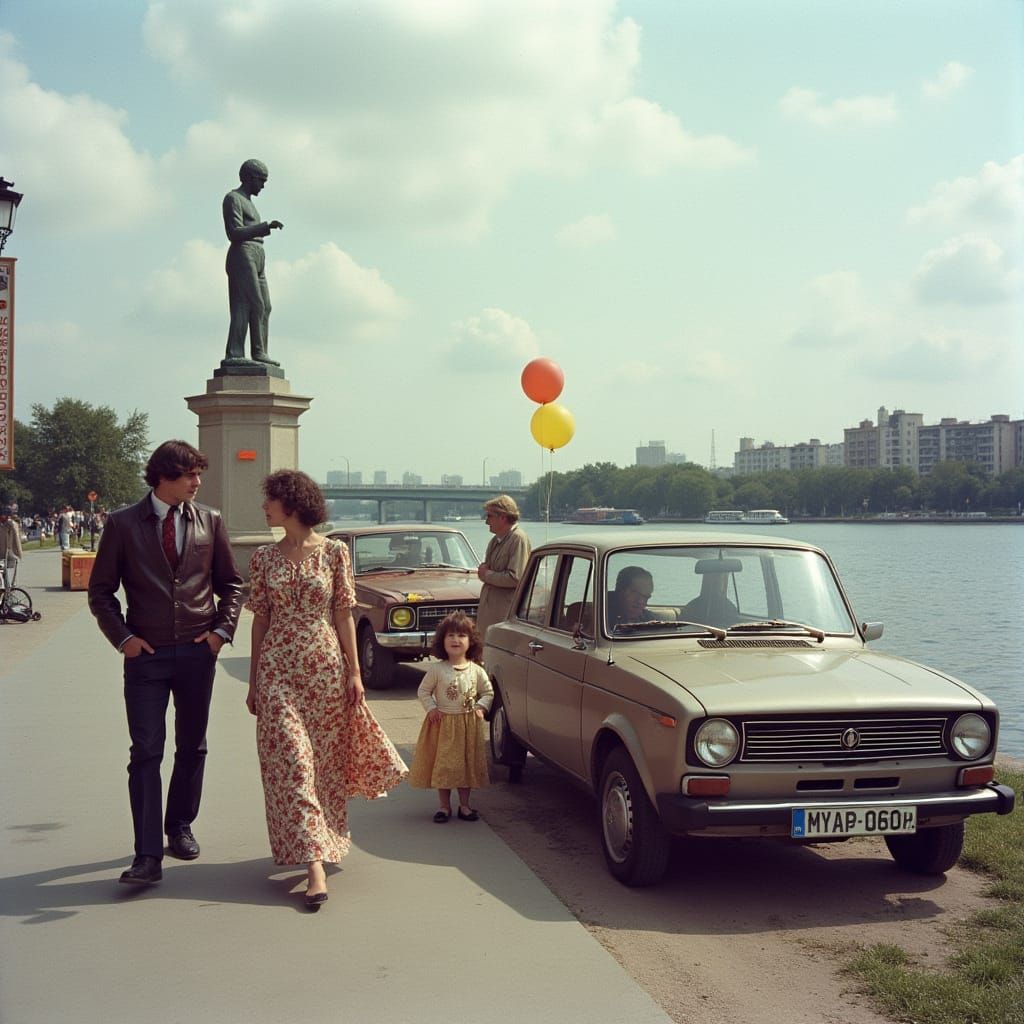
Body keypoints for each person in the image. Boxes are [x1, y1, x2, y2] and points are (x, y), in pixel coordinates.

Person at [246, 469, 407, 910]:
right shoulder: (263, 558)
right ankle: (314, 864)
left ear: (292, 505)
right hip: (278, 669)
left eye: (270, 501)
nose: (264, 508)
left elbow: (342, 615)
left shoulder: (335, 552)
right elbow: (260, 618)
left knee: (323, 766)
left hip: (324, 669)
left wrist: (356, 672)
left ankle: (315, 843)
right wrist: (257, 677)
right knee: (293, 763)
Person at [88, 440, 244, 887]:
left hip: (198, 652)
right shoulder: (121, 524)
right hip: (146, 657)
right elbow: (101, 592)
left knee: (192, 745)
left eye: (199, 474)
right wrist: (124, 639)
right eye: (190, 474)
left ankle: (178, 826)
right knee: (146, 752)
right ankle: (147, 856)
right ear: (163, 476)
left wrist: (219, 633)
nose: (198, 482)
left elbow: (232, 585)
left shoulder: (210, 521)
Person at [408, 612, 493, 822]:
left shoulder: (476, 670)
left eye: (462, 635)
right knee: (445, 765)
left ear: (470, 641)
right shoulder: (437, 669)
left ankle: (464, 806)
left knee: (466, 766)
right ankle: (444, 807)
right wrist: (432, 708)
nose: (456, 640)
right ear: (442, 641)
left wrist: (481, 708)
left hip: (467, 725)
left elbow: (488, 692)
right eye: (451, 635)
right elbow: (423, 691)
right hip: (444, 724)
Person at [223, 158, 284, 366]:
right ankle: (237, 353)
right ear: (249, 178)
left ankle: (257, 352)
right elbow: (234, 232)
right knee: (251, 303)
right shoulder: (233, 198)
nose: (263, 186)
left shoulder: (250, 203)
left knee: (265, 306)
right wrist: (264, 227)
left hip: (258, 255)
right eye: (261, 180)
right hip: (243, 254)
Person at [475, 495, 531, 640]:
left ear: (503, 517)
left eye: (489, 516)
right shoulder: (495, 540)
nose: (486, 521)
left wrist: (486, 574)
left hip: (504, 617)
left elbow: (516, 578)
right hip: (489, 617)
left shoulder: (518, 539)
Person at [0, 505, 23, 593]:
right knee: (3, 576)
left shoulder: (12, 524)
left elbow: (16, 540)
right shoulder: (3, 524)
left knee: (8, 576)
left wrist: (18, 554)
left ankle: (9, 595)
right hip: (2, 554)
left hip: (10, 554)